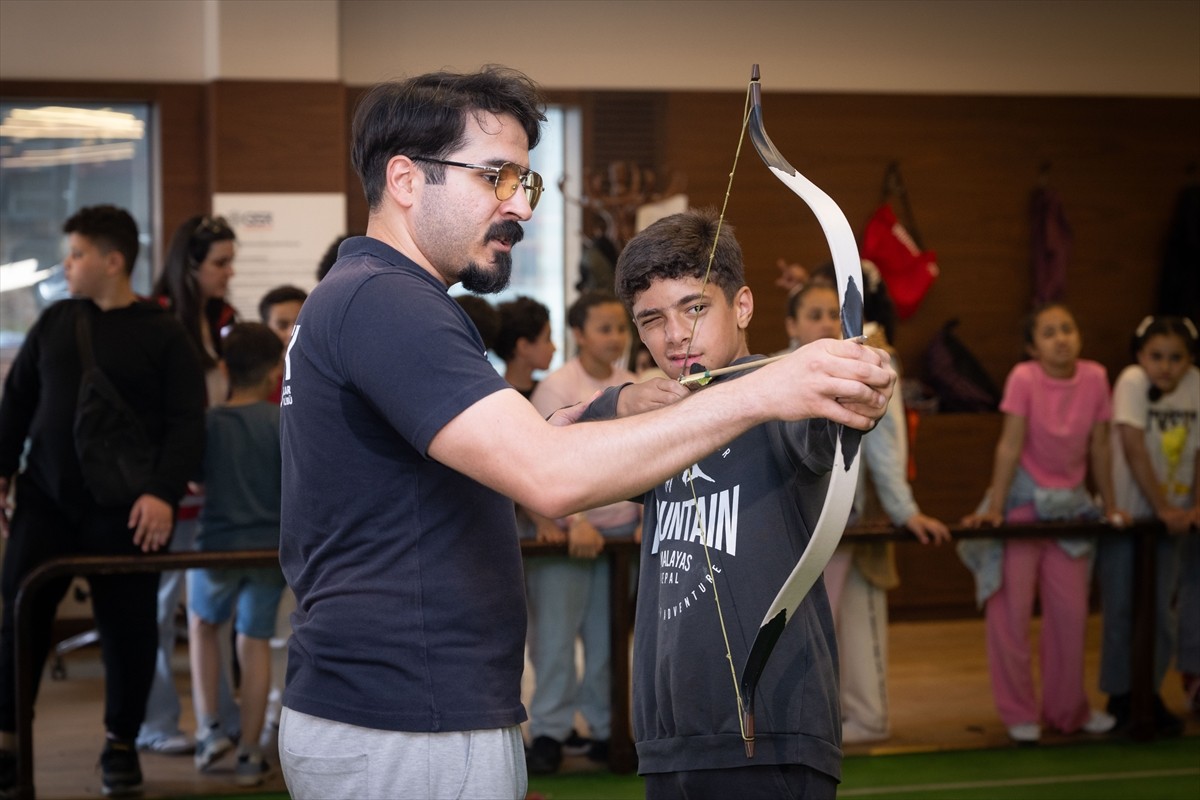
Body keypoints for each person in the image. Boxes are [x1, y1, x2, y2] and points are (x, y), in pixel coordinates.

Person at [277, 67, 893, 800]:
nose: (519, 208)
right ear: (407, 180)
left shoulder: (375, 298)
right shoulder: (388, 302)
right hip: (409, 719)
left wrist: (618, 407)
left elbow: (514, 447)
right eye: (496, 177)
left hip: (414, 714)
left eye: (525, 183)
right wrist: (763, 388)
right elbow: (550, 478)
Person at [573, 208, 884, 798]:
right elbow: (552, 453)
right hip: (670, 737)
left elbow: (827, 425)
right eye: (651, 320)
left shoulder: (784, 398)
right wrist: (621, 403)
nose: (675, 336)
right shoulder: (658, 418)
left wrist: (856, 388)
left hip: (771, 729)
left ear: (741, 306)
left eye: (695, 308)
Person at [0, 205, 206, 797]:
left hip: (128, 510)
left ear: (113, 261)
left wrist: (162, 493)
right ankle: (9, 741)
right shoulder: (56, 322)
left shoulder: (163, 334)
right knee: (18, 618)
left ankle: (121, 744)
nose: (67, 265)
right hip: (46, 500)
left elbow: (186, 424)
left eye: (77, 254)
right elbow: (17, 402)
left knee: (130, 630)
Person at [783, 279, 950, 745]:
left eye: (830, 314)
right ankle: (805, 720)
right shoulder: (771, 372)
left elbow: (885, 447)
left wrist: (905, 511)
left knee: (856, 623)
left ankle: (865, 718)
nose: (823, 323)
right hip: (792, 525)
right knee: (800, 629)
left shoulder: (866, 366)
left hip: (851, 520)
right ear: (791, 324)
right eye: (811, 314)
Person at [961, 302, 1127, 743]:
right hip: (1021, 506)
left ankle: (1068, 710)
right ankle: (1018, 712)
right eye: (1049, 332)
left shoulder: (1095, 377)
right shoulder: (1024, 379)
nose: (1061, 338)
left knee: (1071, 617)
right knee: (1010, 616)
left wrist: (1110, 505)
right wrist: (995, 507)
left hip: (1072, 512)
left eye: (1067, 329)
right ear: (1033, 347)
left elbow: (1101, 449)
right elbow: (1009, 446)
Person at [524, 291, 641, 774]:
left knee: (608, 641)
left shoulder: (632, 385)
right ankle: (549, 732)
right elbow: (540, 464)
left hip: (620, 540)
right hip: (569, 538)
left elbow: (641, 460)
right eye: (604, 327)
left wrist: (643, 520)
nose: (615, 337)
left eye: (621, 327)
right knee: (554, 639)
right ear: (578, 334)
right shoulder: (555, 388)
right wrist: (578, 521)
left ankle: (606, 728)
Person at [137, 214, 241, 755]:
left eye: (231, 262)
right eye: (220, 263)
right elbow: (153, 414)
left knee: (209, 612)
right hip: (169, 490)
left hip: (216, 490)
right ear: (191, 265)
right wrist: (174, 474)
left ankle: (219, 723)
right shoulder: (154, 321)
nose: (229, 273)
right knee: (156, 611)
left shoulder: (225, 319)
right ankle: (154, 724)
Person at [188, 322, 287, 786]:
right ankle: (250, 752)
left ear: (225, 367)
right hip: (269, 550)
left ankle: (210, 729)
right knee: (255, 641)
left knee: (204, 627)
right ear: (275, 372)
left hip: (216, 548)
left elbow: (194, 482)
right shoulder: (282, 423)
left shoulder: (207, 425)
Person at [1097, 315, 1199, 733]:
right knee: (1121, 608)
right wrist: (1161, 507)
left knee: (1162, 611)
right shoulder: (1132, 382)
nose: (1166, 367)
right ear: (1140, 355)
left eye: (1176, 358)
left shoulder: (1195, 384)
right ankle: (1120, 695)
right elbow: (1133, 446)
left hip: (1173, 520)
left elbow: (1197, 453)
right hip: (1134, 515)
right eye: (1157, 356)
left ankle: (1150, 692)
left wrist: (1192, 508)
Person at [495, 295, 555, 398]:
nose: (554, 347)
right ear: (524, 346)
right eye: (547, 339)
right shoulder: (500, 397)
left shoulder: (549, 392)